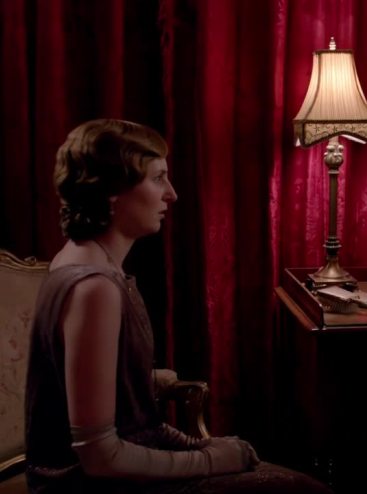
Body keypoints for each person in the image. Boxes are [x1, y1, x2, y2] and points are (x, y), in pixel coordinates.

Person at [25, 119, 332, 494]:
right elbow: (100, 456)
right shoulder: (95, 288)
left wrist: (198, 443)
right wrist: (210, 459)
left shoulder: (78, 259)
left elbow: (118, 411)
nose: (171, 194)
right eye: (158, 178)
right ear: (112, 191)